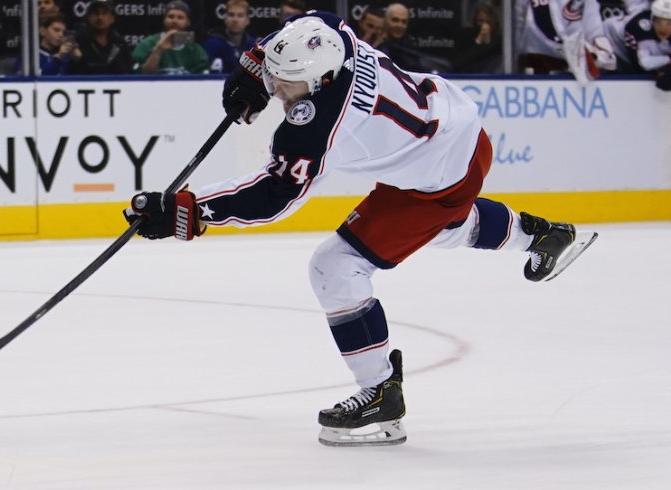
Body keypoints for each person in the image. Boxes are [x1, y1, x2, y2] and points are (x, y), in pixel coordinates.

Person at [123, 11, 597, 447]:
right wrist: (253, 70)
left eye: (285, 85)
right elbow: (300, 27)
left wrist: (187, 210)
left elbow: (274, 197)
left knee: (336, 267)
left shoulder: (317, 125)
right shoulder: (331, 36)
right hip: (454, 133)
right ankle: (543, 235)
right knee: (440, 226)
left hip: (437, 177)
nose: (276, 89)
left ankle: (380, 395)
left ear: (319, 81)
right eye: (275, 77)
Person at [517, 0, 616, 81]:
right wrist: (573, 50)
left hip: (576, 79)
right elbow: (526, 29)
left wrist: (600, 56)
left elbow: (595, 36)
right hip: (533, 74)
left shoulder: (588, 2)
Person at [604, 0, 671, 89]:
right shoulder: (638, 27)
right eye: (658, 22)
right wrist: (669, 60)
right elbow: (645, 63)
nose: (663, 29)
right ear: (652, 20)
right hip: (617, 46)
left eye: (669, 24)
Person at [132, 0, 208, 75]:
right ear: (164, 20)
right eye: (170, 16)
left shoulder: (194, 49)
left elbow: (202, 80)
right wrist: (159, 50)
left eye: (180, 17)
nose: (175, 21)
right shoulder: (147, 44)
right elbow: (143, 76)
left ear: (188, 22)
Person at [69, 0, 133, 75]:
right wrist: (74, 60)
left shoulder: (120, 44)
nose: (100, 17)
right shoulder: (78, 41)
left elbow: (129, 74)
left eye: (104, 13)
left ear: (112, 18)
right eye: (96, 13)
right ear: (89, 17)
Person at [203, 0, 257, 73]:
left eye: (240, 15)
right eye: (231, 15)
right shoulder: (212, 44)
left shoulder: (254, 46)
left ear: (247, 20)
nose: (235, 19)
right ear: (225, 18)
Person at [451, 0, 503, 73]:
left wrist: (489, 40)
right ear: (475, 21)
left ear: (494, 22)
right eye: (480, 21)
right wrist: (479, 40)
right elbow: (461, 61)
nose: (484, 25)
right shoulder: (466, 36)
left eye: (488, 21)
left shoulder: (499, 40)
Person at [374, 3, 425, 72]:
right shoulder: (374, 43)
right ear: (386, 20)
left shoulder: (409, 47)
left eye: (404, 22)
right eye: (395, 20)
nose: (399, 25)